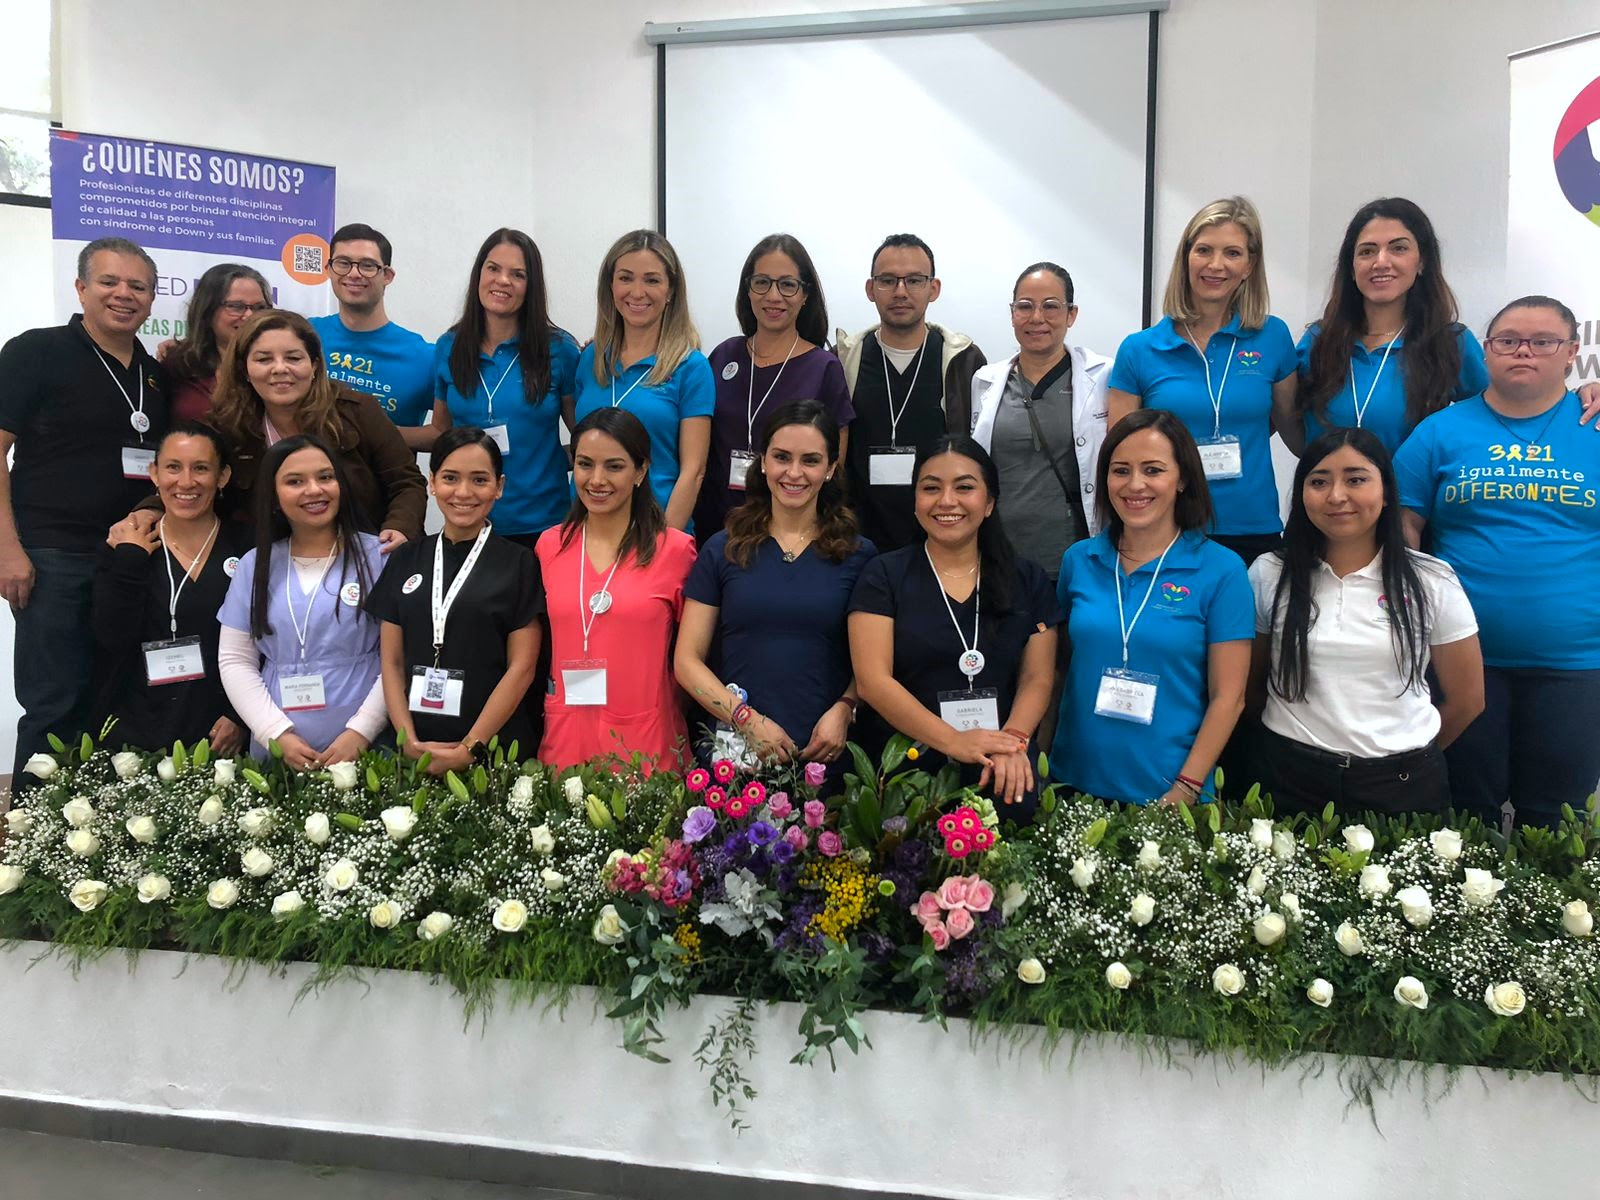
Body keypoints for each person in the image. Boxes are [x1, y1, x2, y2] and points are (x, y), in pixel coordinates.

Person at [1395, 295, 1600, 828]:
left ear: (1572, 352)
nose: (1523, 351)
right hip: (1462, 661)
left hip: (1577, 664)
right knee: (1465, 815)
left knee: (1556, 822)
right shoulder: (1440, 431)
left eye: (1543, 341)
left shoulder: (1594, 428)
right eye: (1508, 340)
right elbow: (1402, 524)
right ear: (1486, 351)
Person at [0, 236, 169, 783]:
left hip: (130, 559)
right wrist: (7, 550)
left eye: (138, 286)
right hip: (52, 555)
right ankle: (31, 830)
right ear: (80, 287)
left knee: (115, 699)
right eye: (109, 281)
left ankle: (97, 827)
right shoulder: (37, 351)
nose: (124, 294)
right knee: (55, 704)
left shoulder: (154, 374)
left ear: (152, 298)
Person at [1248, 428, 1483, 816]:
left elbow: (1468, 699)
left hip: (1402, 787)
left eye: (1356, 480)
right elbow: (1251, 683)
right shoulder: (1269, 573)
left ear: (1386, 491)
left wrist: (1404, 760)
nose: (1336, 496)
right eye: (1319, 482)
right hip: (1288, 778)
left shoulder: (1431, 579)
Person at [1049, 410, 1254, 806]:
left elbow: (1229, 698)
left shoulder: (1222, 570)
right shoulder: (1079, 560)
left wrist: (1187, 787)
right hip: (1073, 781)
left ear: (1183, 479)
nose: (1135, 485)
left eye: (1153, 470)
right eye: (1120, 471)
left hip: (1170, 792)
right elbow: (1060, 670)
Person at [849, 436, 1056, 809]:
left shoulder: (1027, 579)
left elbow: (1037, 678)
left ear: (989, 502)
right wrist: (954, 741)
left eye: (964, 488)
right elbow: (873, 682)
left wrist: (1013, 741)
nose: (946, 501)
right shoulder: (882, 575)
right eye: (931, 488)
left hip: (1003, 765)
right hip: (908, 771)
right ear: (915, 501)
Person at [676, 401, 875, 777]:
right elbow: (687, 662)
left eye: (810, 460)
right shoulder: (722, 548)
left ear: (831, 468)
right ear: (763, 461)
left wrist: (846, 707)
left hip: (825, 753)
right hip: (737, 756)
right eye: (782, 457)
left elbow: (873, 663)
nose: (794, 473)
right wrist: (745, 719)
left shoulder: (858, 554)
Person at [1106, 197, 1298, 566]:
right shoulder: (1139, 349)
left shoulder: (1273, 336)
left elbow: (1295, 431)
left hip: (1251, 526)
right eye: (1204, 250)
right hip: (1166, 527)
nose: (1216, 265)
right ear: (1186, 257)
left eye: (1232, 253)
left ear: (1249, 265)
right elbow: (1121, 452)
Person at [368, 426, 543, 774]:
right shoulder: (405, 558)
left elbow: (522, 667)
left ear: (499, 487)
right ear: (432, 482)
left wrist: (470, 748)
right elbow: (391, 661)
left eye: (479, 480)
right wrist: (407, 740)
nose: (463, 492)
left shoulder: (520, 562)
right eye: (450, 478)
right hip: (415, 747)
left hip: (495, 749)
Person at [536, 408, 697, 771]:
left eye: (614, 466)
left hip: (647, 741)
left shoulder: (675, 551)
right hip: (566, 737)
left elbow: (693, 656)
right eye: (585, 464)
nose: (597, 480)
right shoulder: (549, 546)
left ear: (640, 471)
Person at [216, 434, 389, 766]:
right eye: (295, 481)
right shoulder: (255, 565)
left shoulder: (379, 557)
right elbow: (235, 660)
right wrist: (275, 734)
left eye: (325, 477)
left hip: (366, 747)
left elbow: (396, 658)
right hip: (279, 751)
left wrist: (361, 732)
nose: (314, 490)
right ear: (273, 495)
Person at [92, 422, 253, 754]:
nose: (186, 481)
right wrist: (130, 560)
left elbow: (271, 642)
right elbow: (111, 638)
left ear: (222, 476)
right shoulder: (127, 546)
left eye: (201, 468)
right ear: (154, 473)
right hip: (141, 728)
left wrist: (240, 715)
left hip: (225, 729)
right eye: (173, 467)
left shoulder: (248, 547)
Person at [205, 310, 426, 543]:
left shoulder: (357, 410)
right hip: (271, 557)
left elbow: (407, 483)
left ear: (315, 366)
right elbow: (206, 492)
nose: (280, 368)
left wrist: (399, 528)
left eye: (293, 358)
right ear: (244, 371)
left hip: (367, 551)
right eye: (264, 359)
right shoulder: (229, 426)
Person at [1295, 198, 1488, 455]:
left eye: (1398, 248)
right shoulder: (1318, 341)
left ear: (1422, 261)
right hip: (1326, 482)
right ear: (1351, 267)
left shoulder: (1452, 342)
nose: (1381, 262)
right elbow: (1284, 418)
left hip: (1412, 484)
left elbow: (1491, 423)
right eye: (1367, 251)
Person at [692, 234, 854, 540]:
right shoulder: (723, 355)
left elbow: (833, 467)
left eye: (788, 285)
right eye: (762, 282)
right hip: (715, 527)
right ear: (748, 290)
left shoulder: (824, 368)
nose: (773, 296)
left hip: (789, 532)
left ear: (805, 295)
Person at [430, 228, 580, 547]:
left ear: (531, 286)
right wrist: (377, 430)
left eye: (518, 274)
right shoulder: (449, 346)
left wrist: (551, 461)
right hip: (470, 520)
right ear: (479, 274)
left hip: (545, 524)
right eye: (493, 268)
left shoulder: (559, 350)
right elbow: (440, 431)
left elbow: (585, 438)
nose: (503, 280)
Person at [837, 234, 986, 552]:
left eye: (915, 280)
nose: (900, 292)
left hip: (943, 537)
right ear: (870, 289)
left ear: (934, 289)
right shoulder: (844, 359)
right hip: (856, 540)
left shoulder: (963, 361)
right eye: (888, 280)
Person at [970, 261, 1110, 580]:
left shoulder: (1103, 377)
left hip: (1075, 555)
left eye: (1050, 306)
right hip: (1001, 555)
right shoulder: (984, 381)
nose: (1036, 318)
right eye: (1024, 306)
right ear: (1012, 314)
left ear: (1071, 314)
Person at [574, 231, 714, 532]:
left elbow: (693, 472)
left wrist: (664, 545)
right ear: (610, 285)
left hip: (656, 528)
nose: (637, 292)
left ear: (670, 290)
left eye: (651, 280)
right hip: (589, 531)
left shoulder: (691, 368)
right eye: (626, 278)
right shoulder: (590, 359)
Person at [310, 223, 438, 451]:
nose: (354, 274)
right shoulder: (306, 336)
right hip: (307, 472)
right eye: (343, 263)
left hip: (388, 474)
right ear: (328, 269)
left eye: (367, 265)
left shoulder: (425, 357)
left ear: (387, 275)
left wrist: (373, 434)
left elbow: (446, 433)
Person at [163, 263, 273, 423]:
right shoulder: (178, 364)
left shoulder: (278, 366)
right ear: (208, 310)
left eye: (260, 307)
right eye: (236, 306)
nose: (250, 316)